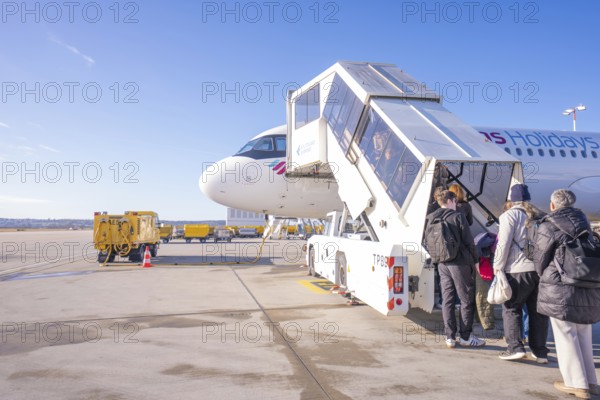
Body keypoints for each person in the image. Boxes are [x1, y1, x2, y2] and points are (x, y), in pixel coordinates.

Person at [534, 189, 600, 399]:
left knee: (565, 334)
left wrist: (543, 274)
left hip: (560, 286)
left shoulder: (548, 225)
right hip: (586, 283)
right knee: (583, 332)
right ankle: (590, 381)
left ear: (553, 205)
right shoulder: (585, 224)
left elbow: (540, 257)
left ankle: (576, 383)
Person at [493, 184, 549, 361]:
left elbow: (504, 243)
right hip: (539, 270)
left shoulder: (509, 216)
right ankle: (540, 352)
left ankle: (515, 347)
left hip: (517, 270)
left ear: (511, 199)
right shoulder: (540, 216)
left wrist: (498, 266)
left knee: (512, 308)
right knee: (538, 312)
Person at [425, 190, 485, 348]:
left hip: (442, 263)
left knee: (447, 299)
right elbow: (469, 242)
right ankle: (465, 336)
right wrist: (476, 261)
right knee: (466, 299)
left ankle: (450, 336)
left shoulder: (431, 218)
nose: (457, 204)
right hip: (459, 263)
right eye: (455, 201)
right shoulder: (458, 217)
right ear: (451, 201)